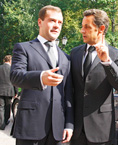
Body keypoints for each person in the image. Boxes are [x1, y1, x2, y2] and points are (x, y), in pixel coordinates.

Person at [10, 5, 73, 145]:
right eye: (52, 20)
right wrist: (40, 77)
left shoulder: (65, 57)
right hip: (30, 126)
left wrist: (69, 124)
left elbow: (68, 94)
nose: (57, 25)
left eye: (60, 22)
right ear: (40, 22)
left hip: (57, 129)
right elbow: (15, 76)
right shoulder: (23, 48)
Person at [70, 9, 118, 145]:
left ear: (100, 29)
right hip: (77, 130)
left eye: (87, 27)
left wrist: (107, 62)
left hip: (102, 130)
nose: (82, 31)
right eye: (82, 26)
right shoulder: (74, 53)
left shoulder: (115, 55)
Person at [0, 55, 18, 130]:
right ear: (10, 61)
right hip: (9, 91)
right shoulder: (12, 69)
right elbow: (15, 81)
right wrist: (16, 92)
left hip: (0, 90)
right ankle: (6, 120)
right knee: (8, 106)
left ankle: (1, 124)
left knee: (1, 107)